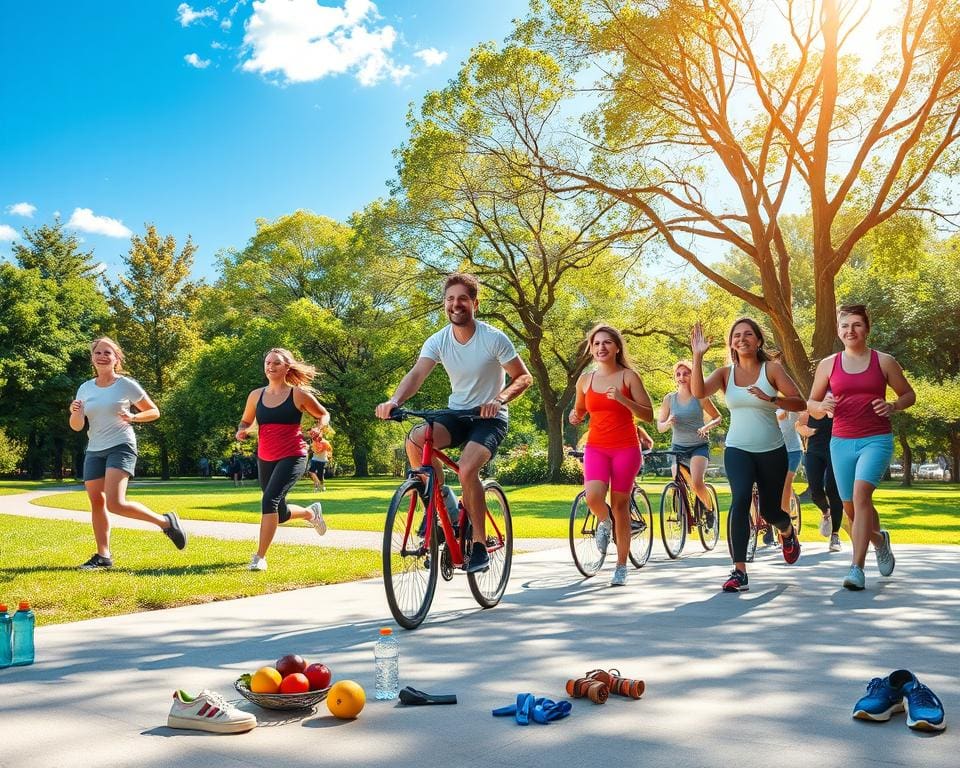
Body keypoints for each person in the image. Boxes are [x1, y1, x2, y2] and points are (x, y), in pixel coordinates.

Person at [375, 273, 533, 574]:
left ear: (474, 302)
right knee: (416, 439)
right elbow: (417, 375)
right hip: (457, 413)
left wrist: (499, 400)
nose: (455, 304)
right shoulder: (438, 340)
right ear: (444, 304)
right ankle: (440, 503)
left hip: (490, 418)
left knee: (467, 467)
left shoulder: (493, 338)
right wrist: (394, 401)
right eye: (450, 299)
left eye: (462, 299)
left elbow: (524, 377)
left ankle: (477, 544)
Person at [690, 318, 805, 592]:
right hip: (738, 449)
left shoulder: (772, 370)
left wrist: (772, 399)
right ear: (731, 343)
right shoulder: (724, 374)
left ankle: (787, 532)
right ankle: (739, 571)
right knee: (740, 500)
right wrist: (697, 356)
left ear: (758, 340)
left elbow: (799, 401)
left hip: (772, 451)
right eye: (737, 336)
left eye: (748, 335)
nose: (742, 339)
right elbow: (698, 392)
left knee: (770, 510)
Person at [807, 304, 915, 591]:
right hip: (840, 441)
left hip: (876, 439)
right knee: (850, 510)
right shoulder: (828, 365)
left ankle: (856, 568)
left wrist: (893, 405)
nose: (850, 330)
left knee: (861, 495)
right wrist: (822, 406)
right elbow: (811, 405)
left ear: (866, 329)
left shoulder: (884, 361)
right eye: (845, 326)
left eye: (856, 325)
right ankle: (880, 540)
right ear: (839, 332)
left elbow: (908, 394)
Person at [68, 336, 187, 569]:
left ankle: (165, 523)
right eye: (98, 353)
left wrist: (134, 417)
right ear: (92, 358)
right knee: (96, 502)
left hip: (121, 445)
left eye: (107, 353)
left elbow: (153, 411)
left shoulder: (126, 385)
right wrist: (74, 412)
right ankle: (103, 556)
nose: (102, 356)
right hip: (94, 449)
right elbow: (77, 426)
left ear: (116, 359)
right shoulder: (85, 387)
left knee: (115, 503)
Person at [569, 325, 654, 586]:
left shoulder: (629, 377)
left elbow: (648, 415)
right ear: (591, 349)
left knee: (620, 506)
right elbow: (580, 410)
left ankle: (620, 566)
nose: (601, 347)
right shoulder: (585, 380)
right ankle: (604, 521)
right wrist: (576, 417)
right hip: (596, 447)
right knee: (594, 497)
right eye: (596, 344)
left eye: (607, 343)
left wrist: (622, 399)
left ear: (617, 347)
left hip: (626, 449)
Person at [236, 348, 331, 571]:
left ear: (287, 366)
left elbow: (323, 414)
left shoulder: (297, 394)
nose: (270, 366)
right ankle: (310, 513)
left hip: (293, 455)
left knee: (269, 501)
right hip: (265, 457)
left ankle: (259, 557)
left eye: (276, 363)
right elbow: (245, 421)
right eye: (267, 362)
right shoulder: (255, 395)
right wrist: (241, 431)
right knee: (278, 512)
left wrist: (319, 427)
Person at [656, 359, 722, 519]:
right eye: (678, 374)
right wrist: (668, 422)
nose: (682, 377)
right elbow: (660, 426)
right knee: (677, 483)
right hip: (677, 448)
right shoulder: (669, 399)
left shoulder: (700, 396)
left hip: (698, 447)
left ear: (693, 375)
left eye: (686, 373)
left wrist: (706, 427)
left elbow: (718, 417)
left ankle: (709, 510)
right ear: (675, 378)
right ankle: (684, 516)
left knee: (697, 483)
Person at [796, 409, 844, 552]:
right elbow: (798, 425)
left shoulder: (838, 402)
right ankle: (826, 513)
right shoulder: (813, 404)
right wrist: (806, 431)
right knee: (815, 490)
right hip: (814, 451)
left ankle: (835, 535)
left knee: (832, 490)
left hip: (835, 450)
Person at [763, 408, 804, 546]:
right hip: (776, 452)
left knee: (786, 484)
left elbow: (804, 409)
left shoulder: (791, 409)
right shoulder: (765, 411)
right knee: (775, 488)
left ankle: (784, 526)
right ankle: (773, 524)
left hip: (793, 451)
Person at [307, 427, 333, 492]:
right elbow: (313, 450)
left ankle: (321, 486)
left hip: (322, 460)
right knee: (311, 471)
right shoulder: (314, 442)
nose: (314, 438)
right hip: (315, 459)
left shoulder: (325, 442)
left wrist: (329, 456)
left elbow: (329, 450)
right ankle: (317, 485)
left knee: (320, 475)